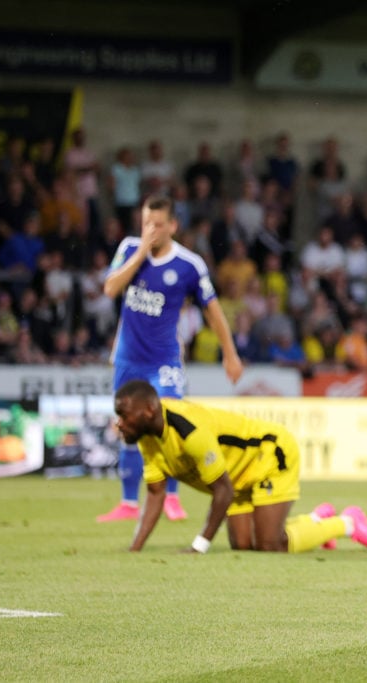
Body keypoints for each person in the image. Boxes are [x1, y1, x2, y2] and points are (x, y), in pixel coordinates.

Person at [113, 380, 367, 554]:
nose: (120, 423)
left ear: (149, 409)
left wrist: (200, 546)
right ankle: (314, 521)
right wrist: (135, 549)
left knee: (270, 545)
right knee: (244, 545)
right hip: (235, 476)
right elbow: (155, 493)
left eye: (124, 415)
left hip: (268, 454)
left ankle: (348, 523)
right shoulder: (148, 439)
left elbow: (222, 491)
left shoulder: (189, 430)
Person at [97, 194, 244, 524]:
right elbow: (110, 289)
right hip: (127, 360)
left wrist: (230, 354)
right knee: (129, 427)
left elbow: (214, 310)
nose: (151, 230)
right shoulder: (129, 248)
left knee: (171, 426)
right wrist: (139, 255)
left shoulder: (189, 265)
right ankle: (127, 503)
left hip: (163, 361)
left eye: (158, 225)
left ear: (173, 226)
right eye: (146, 223)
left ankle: (173, 498)